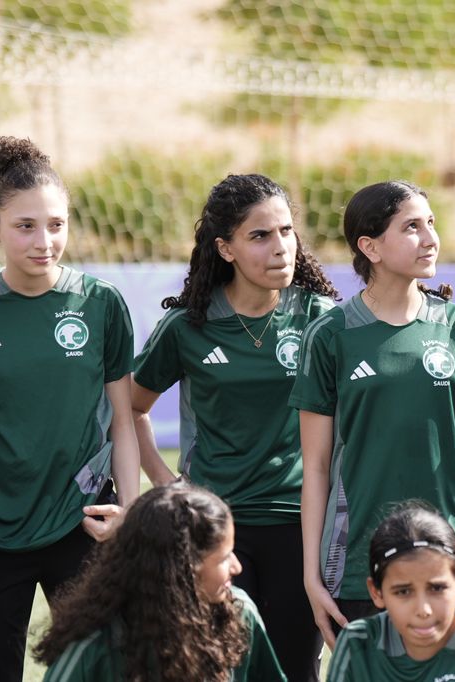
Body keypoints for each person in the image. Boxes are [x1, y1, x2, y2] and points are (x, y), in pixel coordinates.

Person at [0, 136, 140, 682]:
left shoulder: (101, 304)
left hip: (83, 521)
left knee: (104, 669)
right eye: (25, 226)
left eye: (56, 224)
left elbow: (123, 422)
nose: (44, 241)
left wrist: (128, 512)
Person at [131, 173, 338, 681]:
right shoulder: (188, 327)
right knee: (215, 668)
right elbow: (132, 408)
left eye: (286, 231)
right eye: (260, 235)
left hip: (300, 524)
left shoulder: (320, 318)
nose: (280, 247)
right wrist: (166, 482)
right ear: (225, 248)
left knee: (294, 670)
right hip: (215, 528)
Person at [290, 180, 455, 648]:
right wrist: (311, 575)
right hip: (357, 564)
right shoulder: (329, 335)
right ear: (370, 247)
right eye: (411, 227)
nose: (430, 238)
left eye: (431, 223)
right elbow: (316, 466)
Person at [35, 482, 286, 681]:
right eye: (223, 557)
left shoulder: (239, 613)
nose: (237, 567)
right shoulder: (92, 648)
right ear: (183, 570)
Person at [327, 501, 455, 681]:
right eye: (403, 592)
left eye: (437, 588)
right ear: (376, 592)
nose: (423, 610)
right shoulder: (357, 643)